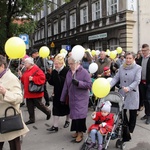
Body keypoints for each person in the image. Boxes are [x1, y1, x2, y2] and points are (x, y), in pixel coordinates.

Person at [0, 55, 29, 150]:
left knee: (15, 146)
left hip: (9, 118)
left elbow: (19, 98)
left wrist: (5, 92)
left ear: (2, 66)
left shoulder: (11, 78)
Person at [110, 52, 142, 138]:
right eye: (126, 58)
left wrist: (129, 88)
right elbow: (116, 78)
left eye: (130, 58)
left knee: (132, 112)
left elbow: (137, 81)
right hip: (122, 93)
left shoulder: (138, 68)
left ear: (133, 59)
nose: (128, 60)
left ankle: (130, 130)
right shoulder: (121, 67)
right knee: (122, 112)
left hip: (132, 93)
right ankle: (125, 127)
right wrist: (108, 85)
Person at [60, 56, 92, 143]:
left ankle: (80, 133)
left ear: (77, 63)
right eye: (69, 64)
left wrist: (79, 83)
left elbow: (89, 85)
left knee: (80, 115)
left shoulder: (84, 72)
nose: (70, 66)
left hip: (81, 98)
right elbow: (66, 86)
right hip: (72, 97)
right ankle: (76, 131)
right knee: (74, 115)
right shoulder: (69, 72)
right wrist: (62, 98)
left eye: (72, 64)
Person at [18, 57, 51, 125]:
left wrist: (33, 79)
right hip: (28, 92)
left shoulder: (36, 69)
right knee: (29, 106)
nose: (24, 64)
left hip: (35, 92)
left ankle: (48, 112)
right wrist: (21, 76)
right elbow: (24, 81)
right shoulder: (27, 70)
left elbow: (43, 79)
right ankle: (31, 119)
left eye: (26, 63)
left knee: (39, 105)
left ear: (30, 63)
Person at [47, 54, 70, 132]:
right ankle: (55, 126)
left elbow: (67, 82)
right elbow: (52, 82)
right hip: (57, 93)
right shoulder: (54, 71)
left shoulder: (66, 70)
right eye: (55, 63)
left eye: (57, 64)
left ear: (61, 63)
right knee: (55, 108)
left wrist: (58, 77)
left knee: (67, 108)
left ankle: (67, 120)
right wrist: (48, 76)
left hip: (65, 93)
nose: (55, 65)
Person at [138, 44, 150, 124]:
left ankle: (149, 116)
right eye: (142, 51)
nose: (143, 52)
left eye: (145, 50)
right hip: (142, 82)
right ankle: (146, 114)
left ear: (149, 50)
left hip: (149, 82)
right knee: (144, 99)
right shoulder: (141, 59)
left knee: (148, 99)